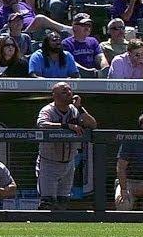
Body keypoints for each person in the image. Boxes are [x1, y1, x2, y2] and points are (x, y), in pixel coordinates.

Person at [36, 82, 97, 210]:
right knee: (47, 203)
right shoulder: (48, 110)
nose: (69, 93)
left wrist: (80, 108)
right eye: (64, 91)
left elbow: (92, 125)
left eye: (70, 90)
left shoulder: (75, 110)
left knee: (63, 202)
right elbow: (42, 124)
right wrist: (66, 126)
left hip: (69, 163)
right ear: (55, 95)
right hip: (49, 163)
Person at [115, 110, 143, 211]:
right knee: (123, 206)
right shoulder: (131, 140)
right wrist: (123, 189)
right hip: (129, 183)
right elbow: (121, 167)